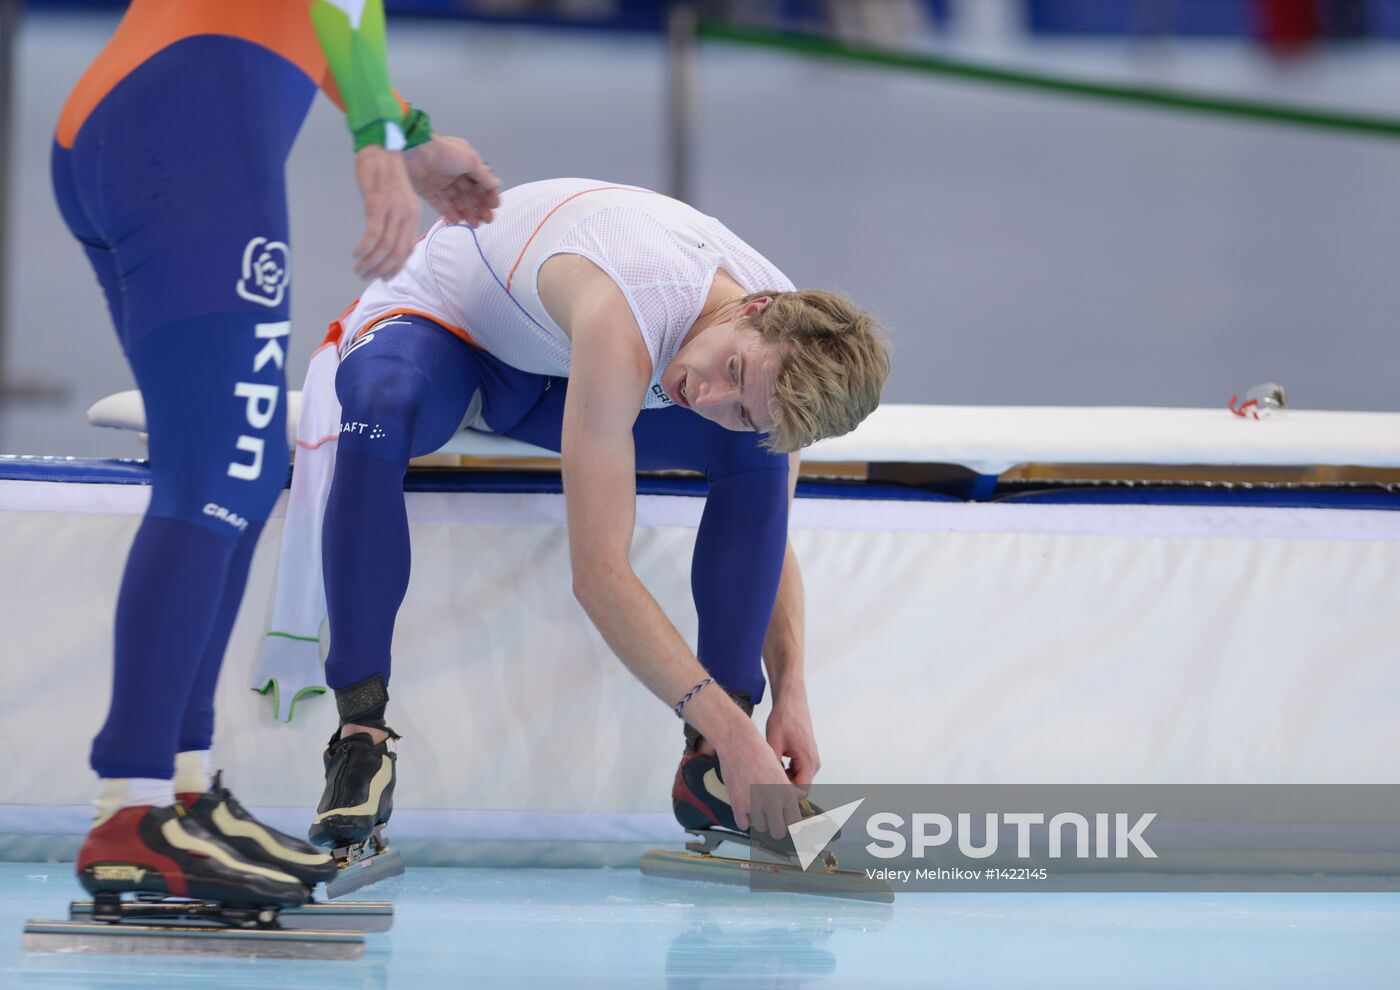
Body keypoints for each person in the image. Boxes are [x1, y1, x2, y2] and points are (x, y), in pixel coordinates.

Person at [51, 0, 500, 909]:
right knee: (217, 471)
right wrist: (375, 139)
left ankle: (178, 796)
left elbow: (329, 13)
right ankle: (132, 812)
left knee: (239, 471)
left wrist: (405, 133)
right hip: (187, 123)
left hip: (165, 114)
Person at [301, 178, 890, 855]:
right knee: (379, 408)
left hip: (553, 370)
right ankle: (360, 742)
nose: (706, 394)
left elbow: (773, 534)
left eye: (740, 404)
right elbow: (600, 576)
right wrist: (739, 733)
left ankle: (713, 773)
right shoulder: (628, 303)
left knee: (755, 456)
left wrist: (790, 690)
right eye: (730, 368)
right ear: (751, 309)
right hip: (447, 331)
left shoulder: (775, 353)